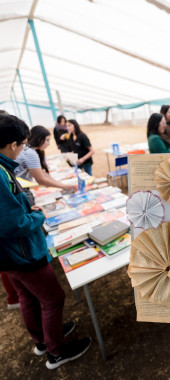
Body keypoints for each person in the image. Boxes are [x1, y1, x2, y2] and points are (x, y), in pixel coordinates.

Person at [0, 113, 91, 369]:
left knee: (27, 296)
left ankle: (42, 341)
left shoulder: (3, 168)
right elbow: (13, 224)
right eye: (21, 144)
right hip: (22, 252)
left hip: (11, 256)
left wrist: (27, 208)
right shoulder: (1, 172)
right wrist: (37, 216)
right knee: (53, 298)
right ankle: (56, 351)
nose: (22, 150)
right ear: (11, 145)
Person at [15, 125, 76, 205]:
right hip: (19, 189)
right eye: (47, 140)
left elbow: (43, 173)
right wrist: (64, 186)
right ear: (39, 139)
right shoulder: (30, 153)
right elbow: (41, 179)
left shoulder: (27, 148)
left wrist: (61, 184)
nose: (48, 144)